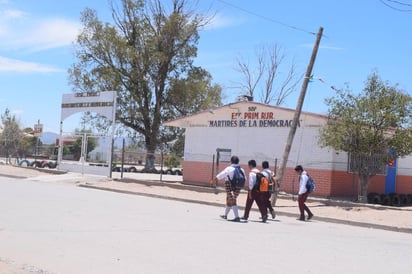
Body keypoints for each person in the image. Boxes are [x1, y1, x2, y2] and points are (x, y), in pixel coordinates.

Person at [210, 155, 245, 222]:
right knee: (229, 199)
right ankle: (225, 215)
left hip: (230, 185)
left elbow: (221, 175)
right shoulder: (241, 169)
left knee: (232, 200)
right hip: (238, 187)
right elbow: (244, 179)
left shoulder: (229, 168)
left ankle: (237, 217)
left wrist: (213, 181)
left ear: (231, 161)